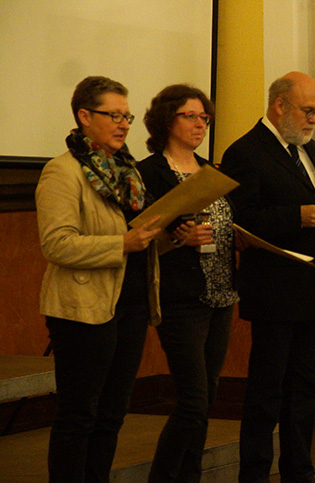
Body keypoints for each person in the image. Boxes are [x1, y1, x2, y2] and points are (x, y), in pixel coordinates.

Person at [220, 72, 315, 483]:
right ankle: (254, 474)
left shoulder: (310, 149)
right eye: (308, 111)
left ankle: (299, 471)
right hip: (275, 289)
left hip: (313, 284)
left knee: (305, 388)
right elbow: (240, 221)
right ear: (279, 105)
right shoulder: (245, 152)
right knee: (267, 391)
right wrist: (296, 216)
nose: (314, 120)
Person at [36, 75, 162, 481]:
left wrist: (167, 234)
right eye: (114, 115)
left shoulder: (127, 171)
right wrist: (122, 244)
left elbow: (136, 236)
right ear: (85, 116)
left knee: (112, 414)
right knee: (79, 415)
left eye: (127, 116)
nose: (124, 125)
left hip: (129, 303)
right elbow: (57, 245)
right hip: (83, 309)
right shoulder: (62, 171)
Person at [137, 84, 239, 482]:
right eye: (191, 116)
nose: (200, 125)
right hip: (180, 297)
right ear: (167, 119)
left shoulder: (211, 171)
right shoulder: (149, 173)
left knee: (206, 398)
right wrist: (178, 238)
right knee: (193, 400)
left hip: (221, 294)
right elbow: (140, 237)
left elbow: (225, 222)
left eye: (204, 118)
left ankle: (189, 476)